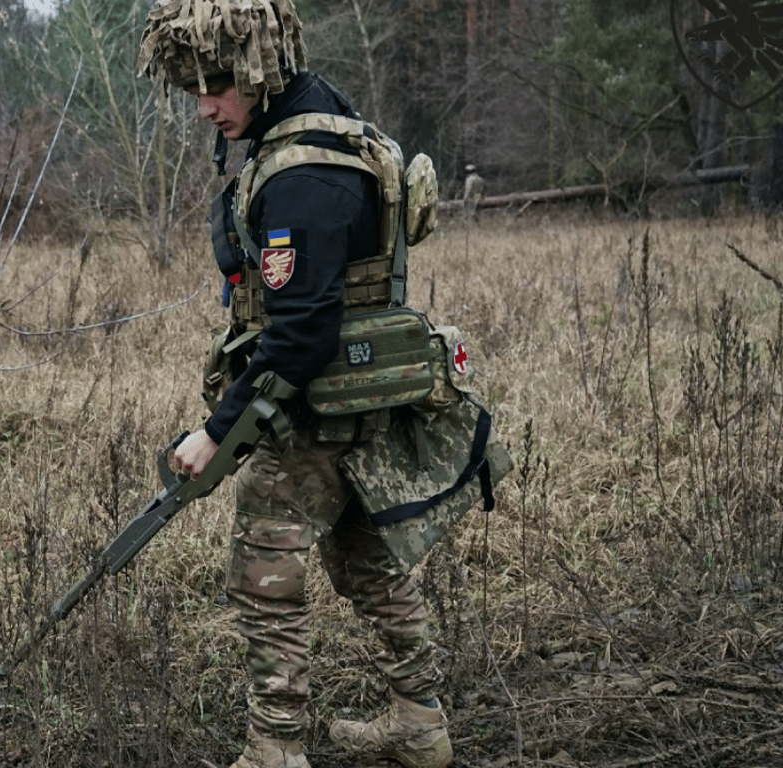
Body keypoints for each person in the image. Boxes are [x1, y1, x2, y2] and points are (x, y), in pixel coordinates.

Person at [138, 2, 509, 768]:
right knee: (368, 562)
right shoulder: (336, 126)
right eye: (194, 88)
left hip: (314, 407)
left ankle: (274, 749)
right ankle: (420, 723)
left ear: (256, 71)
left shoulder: (304, 172)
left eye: (216, 85)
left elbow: (301, 332)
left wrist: (218, 431)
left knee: (264, 577)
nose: (205, 105)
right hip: (362, 399)